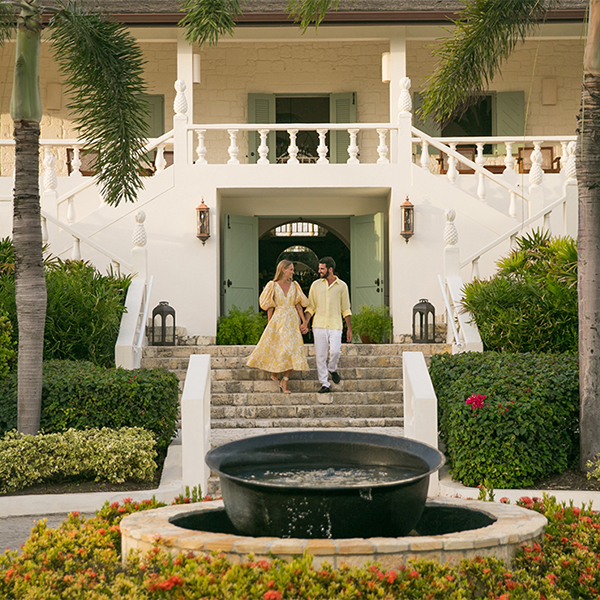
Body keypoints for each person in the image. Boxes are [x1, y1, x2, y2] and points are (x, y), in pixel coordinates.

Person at [246, 260, 309, 393]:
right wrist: (270, 325)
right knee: (280, 348)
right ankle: (274, 372)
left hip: (292, 320)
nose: (293, 272)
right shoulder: (272, 285)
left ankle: (284, 381)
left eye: (293, 269)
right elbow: (269, 306)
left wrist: (304, 323)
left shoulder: (295, 285)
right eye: (291, 269)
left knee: (293, 349)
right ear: (283, 270)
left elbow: (298, 305)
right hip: (278, 320)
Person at [304, 256, 352, 393]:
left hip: (336, 324)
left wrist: (349, 329)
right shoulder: (315, 285)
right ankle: (325, 383)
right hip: (318, 324)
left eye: (322, 268)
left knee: (335, 351)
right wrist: (306, 322)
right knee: (320, 356)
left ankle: (332, 368)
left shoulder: (342, 286)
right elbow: (310, 307)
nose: (319, 271)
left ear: (330, 269)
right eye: (319, 268)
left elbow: (346, 309)